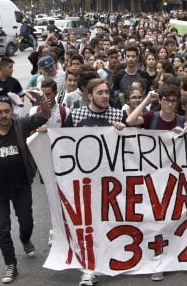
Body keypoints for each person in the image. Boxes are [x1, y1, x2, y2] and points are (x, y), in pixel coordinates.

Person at [0, 95, 51, 284]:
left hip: (21, 186)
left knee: (27, 223)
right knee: (2, 228)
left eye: (7, 111)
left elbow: (44, 116)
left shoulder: (21, 125)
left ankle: (25, 240)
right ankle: (10, 264)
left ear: (12, 111)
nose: (4, 115)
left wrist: (45, 105)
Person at [63, 78, 125, 286]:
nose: (105, 96)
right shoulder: (77, 115)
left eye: (107, 92)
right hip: (85, 182)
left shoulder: (118, 114)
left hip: (112, 181)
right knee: (90, 226)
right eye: (100, 92)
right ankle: (90, 269)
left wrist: (123, 130)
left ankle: (113, 258)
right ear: (89, 95)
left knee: (111, 222)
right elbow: (63, 143)